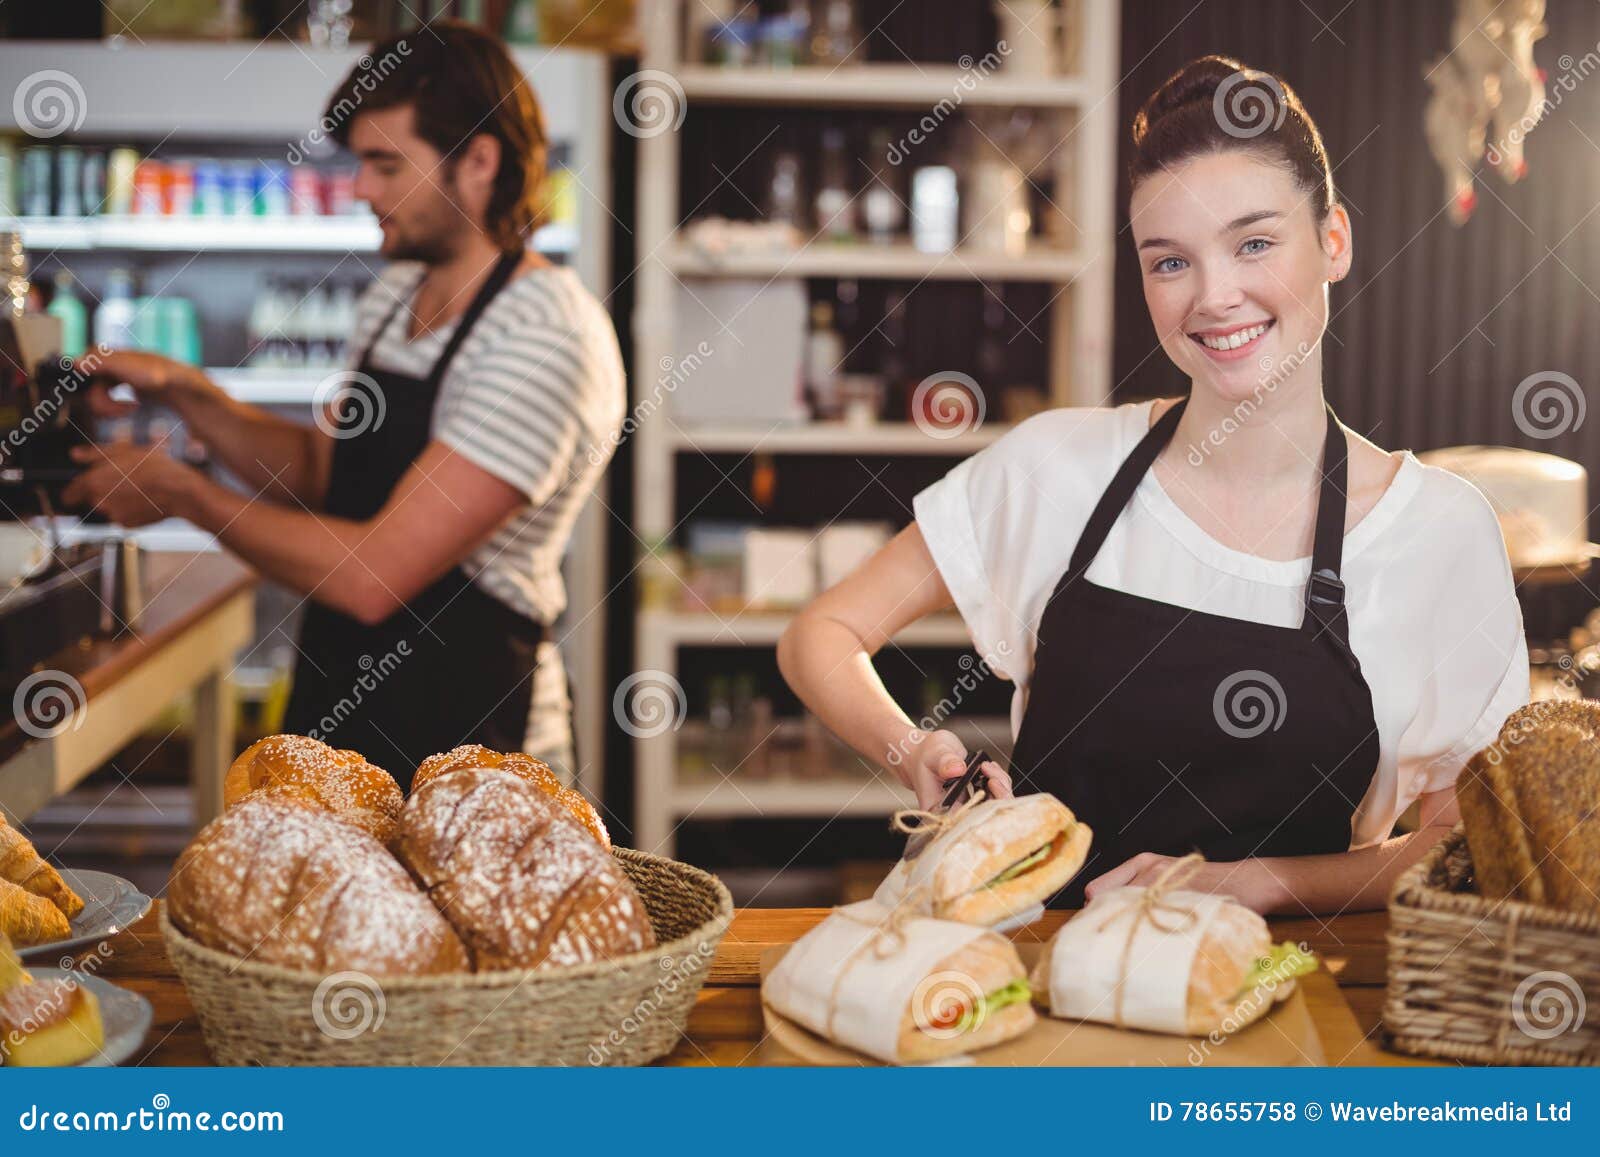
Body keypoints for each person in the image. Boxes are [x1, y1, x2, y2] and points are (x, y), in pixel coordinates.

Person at [776, 56, 1528, 914]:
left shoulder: (1438, 532)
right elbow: (820, 635)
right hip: (1037, 1000)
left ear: (1333, 242)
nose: (1213, 296)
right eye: (1169, 262)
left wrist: (1252, 884)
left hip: (1289, 1016)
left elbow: (1464, 844)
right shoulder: (1058, 467)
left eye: (1253, 243)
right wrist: (911, 747)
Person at [63, 23, 625, 788]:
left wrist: (187, 496)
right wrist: (188, 393)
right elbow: (323, 476)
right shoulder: (397, 295)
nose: (361, 189)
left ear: (480, 162)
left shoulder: (545, 334)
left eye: (385, 165)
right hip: (346, 714)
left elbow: (375, 577)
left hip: (479, 755)